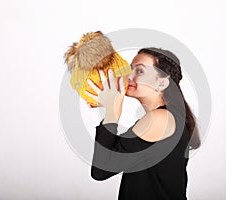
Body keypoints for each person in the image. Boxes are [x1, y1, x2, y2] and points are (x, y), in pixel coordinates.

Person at [85, 47, 201, 200]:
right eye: (130, 70)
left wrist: (112, 114)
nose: (129, 76)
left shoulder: (160, 119)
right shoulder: (163, 117)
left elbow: (101, 170)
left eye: (140, 71)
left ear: (162, 83)